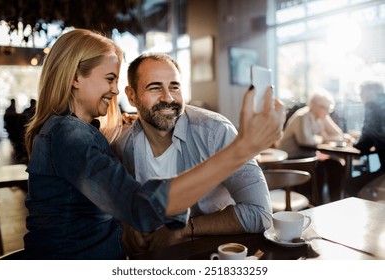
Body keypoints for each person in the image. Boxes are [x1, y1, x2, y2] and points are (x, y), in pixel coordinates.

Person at [23, 29, 285, 260]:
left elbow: (104, 204)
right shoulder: (71, 135)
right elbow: (139, 208)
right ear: (75, 78)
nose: (115, 91)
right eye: (110, 79)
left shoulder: (87, 133)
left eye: (175, 86)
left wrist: (127, 229)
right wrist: (240, 150)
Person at [112, 53, 273, 255]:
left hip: (214, 255)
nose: (168, 98)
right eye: (154, 87)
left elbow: (260, 214)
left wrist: (183, 230)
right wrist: (127, 226)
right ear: (131, 96)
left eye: (174, 87)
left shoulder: (215, 132)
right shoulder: (123, 146)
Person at [276, 88, 348, 202]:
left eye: (328, 108)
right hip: (292, 158)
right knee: (320, 167)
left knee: (336, 164)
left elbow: (338, 133)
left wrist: (323, 136)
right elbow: (305, 141)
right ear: (314, 105)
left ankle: (336, 200)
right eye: (324, 107)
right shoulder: (302, 116)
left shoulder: (321, 116)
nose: (327, 111)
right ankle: (317, 202)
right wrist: (323, 137)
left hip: (307, 155)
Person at [353, 81, 385, 172]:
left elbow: (366, 140)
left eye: (361, 93)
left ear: (370, 92)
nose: (361, 97)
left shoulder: (372, 105)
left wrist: (354, 144)